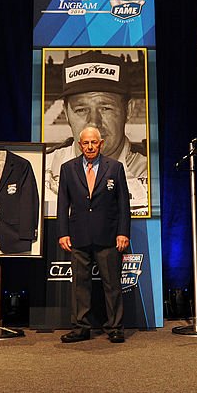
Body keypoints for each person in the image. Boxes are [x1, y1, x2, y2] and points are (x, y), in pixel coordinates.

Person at [44, 50, 148, 216]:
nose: (93, 122)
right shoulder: (41, 170)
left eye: (105, 108)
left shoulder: (152, 172)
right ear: (66, 113)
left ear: (128, 110)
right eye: (81, 109)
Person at [56, 127, 130, 344]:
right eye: (86, 143)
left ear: (101, 143)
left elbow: (123, 204)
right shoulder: (68, 168)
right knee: (80, 285)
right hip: (78, 236)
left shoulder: (115, 168)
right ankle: (80, 328)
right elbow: (63, 204)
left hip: (108, 236)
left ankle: (115, 327)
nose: (90, 146)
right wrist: (63, 233)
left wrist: (123, 232)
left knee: (112, 285)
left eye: (94, 143)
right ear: (80, 145)